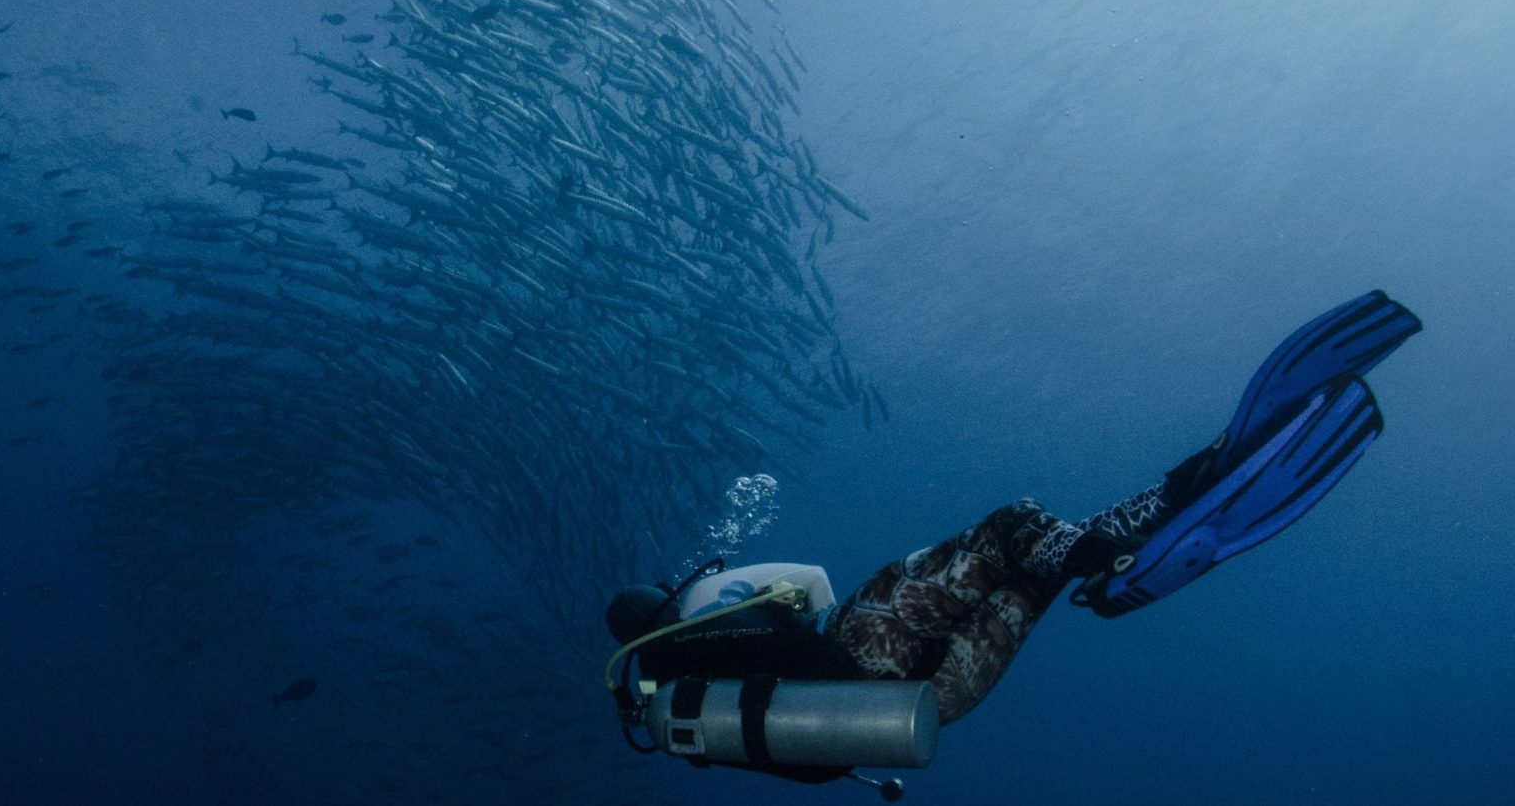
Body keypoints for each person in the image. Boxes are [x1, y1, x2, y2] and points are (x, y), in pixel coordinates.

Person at [604, 290, 1421, 793]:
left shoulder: (680, 702)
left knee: (1041, 573)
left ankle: (1136, 553)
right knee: (1011, 528)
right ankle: (1174, 495)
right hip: (865, 655)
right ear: (656, 607)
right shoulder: (692, 631)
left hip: (920, 712)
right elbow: (804, 603)